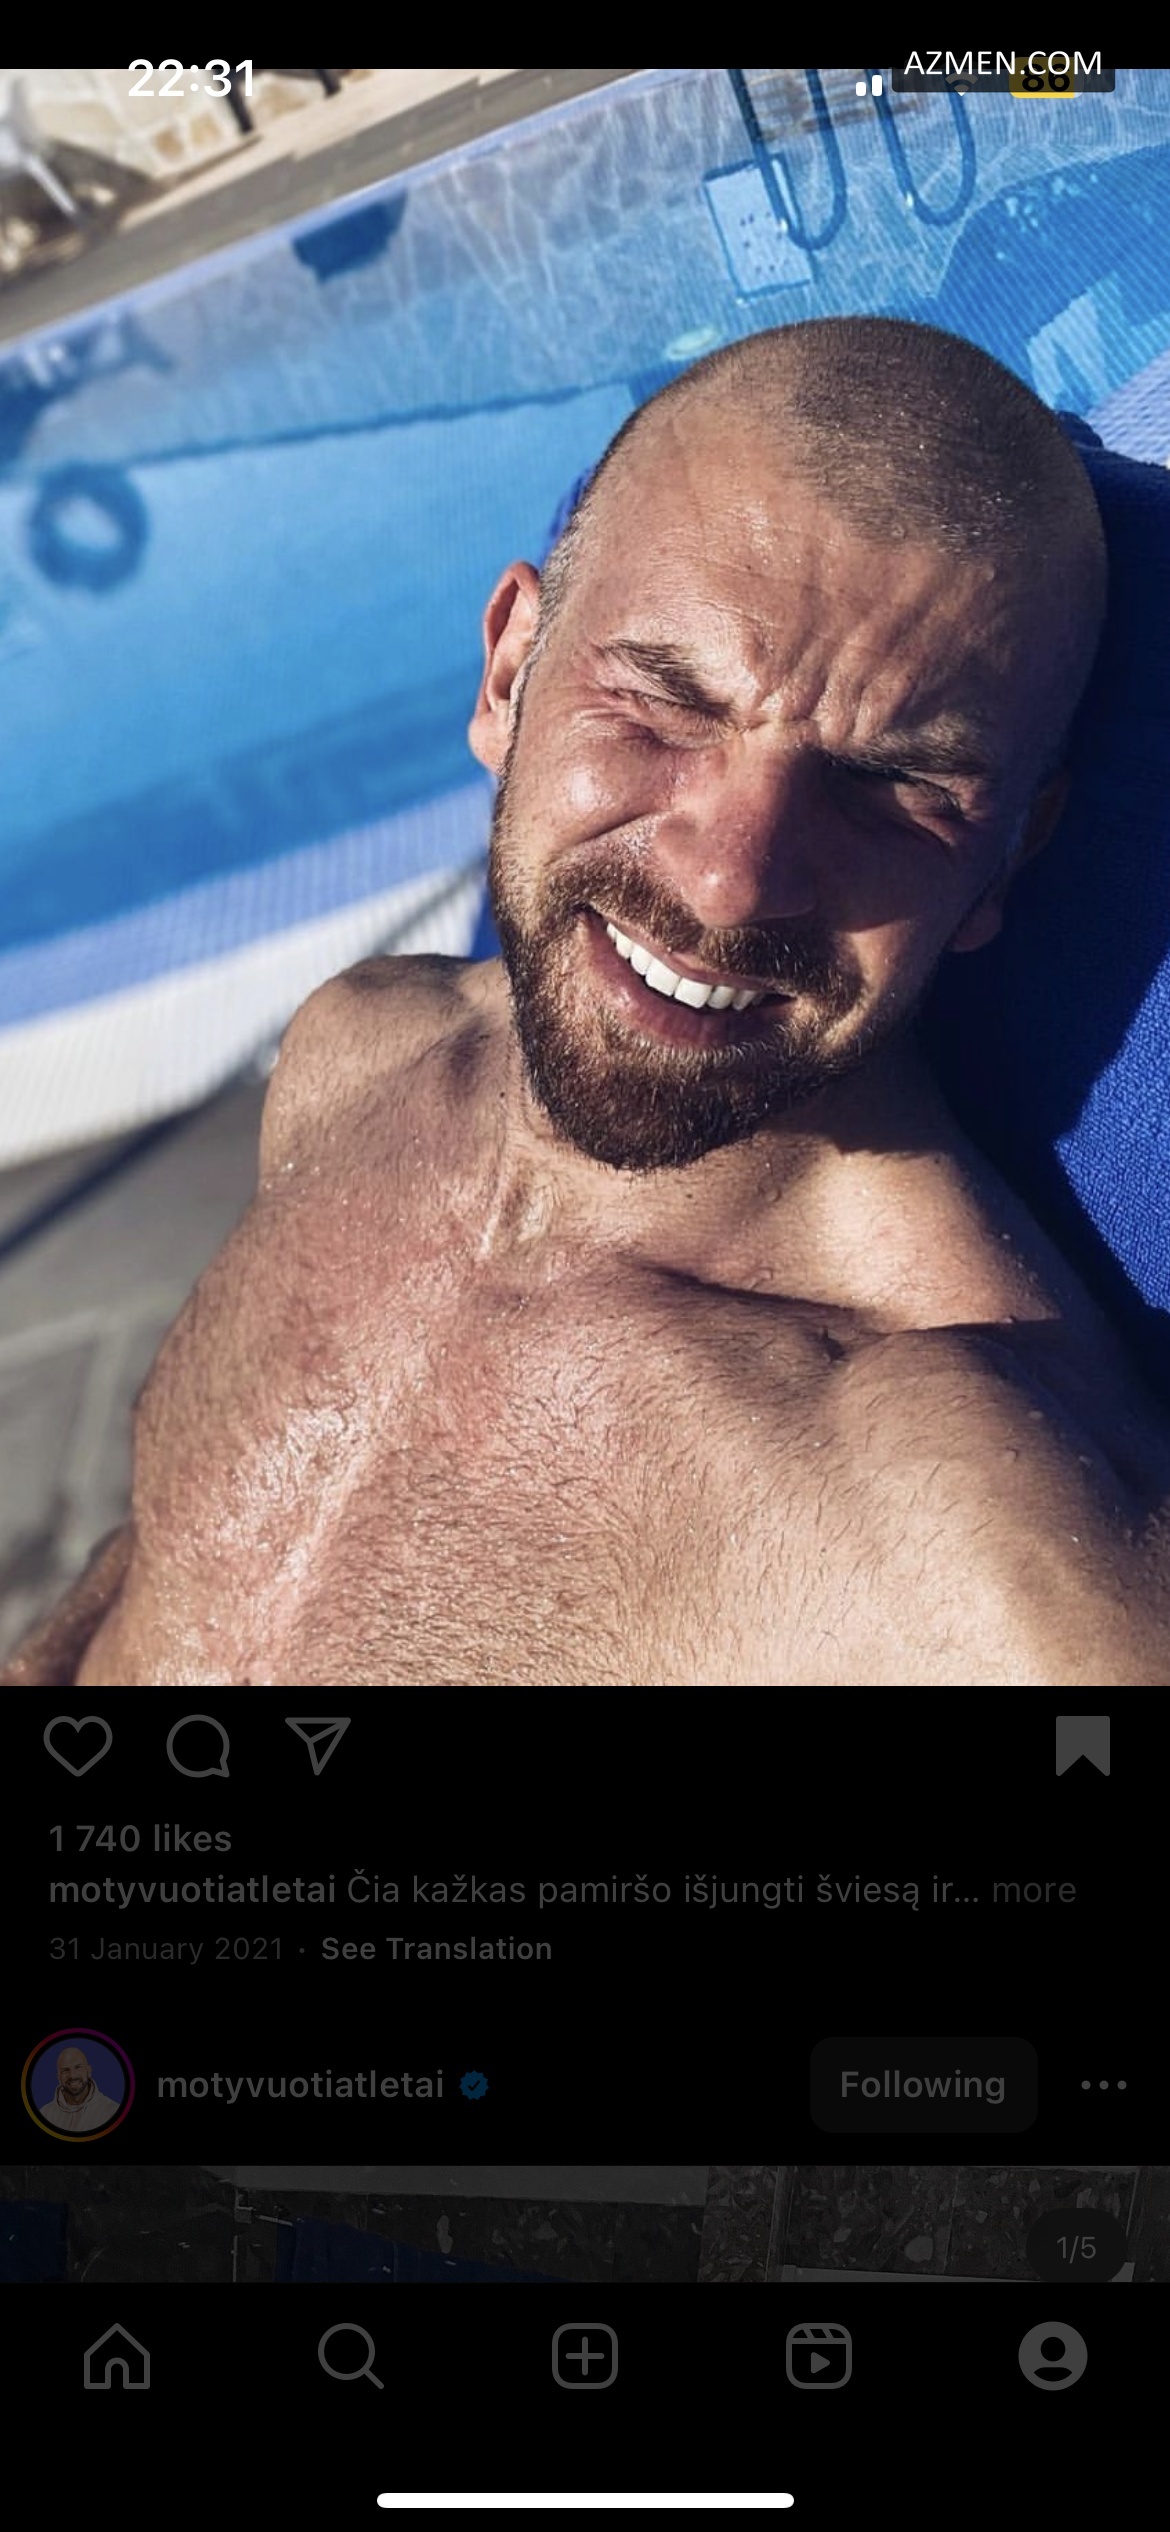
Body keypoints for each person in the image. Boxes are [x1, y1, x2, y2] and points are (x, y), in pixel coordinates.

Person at [4, 316, 1169, 1688]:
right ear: (508, 674)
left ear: (1006, 859)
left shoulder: (964, 1518)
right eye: (662, 706)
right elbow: (181, 1555)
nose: (731, 881)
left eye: (890, 787)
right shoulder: (355, 1053)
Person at [38, 2043, 121, 2133]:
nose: (72, 2075)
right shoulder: (44, 2114)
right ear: (58, 2077)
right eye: (65, 2070)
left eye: (78, 2067)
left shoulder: (113, 2112)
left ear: (89, 2071)